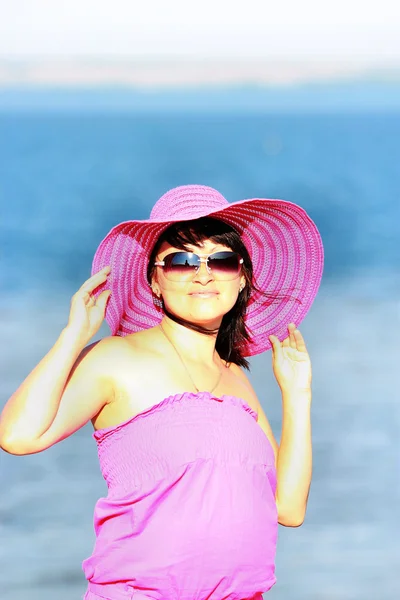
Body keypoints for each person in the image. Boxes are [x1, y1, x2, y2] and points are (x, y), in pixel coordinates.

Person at [0, 184, 324, 600]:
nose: (203, 274)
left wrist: (298, 396)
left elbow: (288, 508)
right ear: (155, 280)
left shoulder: (237, 382)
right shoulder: (117, 358)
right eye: (181, 262)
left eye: (221, 261)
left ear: (241, 278)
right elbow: (17, 436)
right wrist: (72, 337)